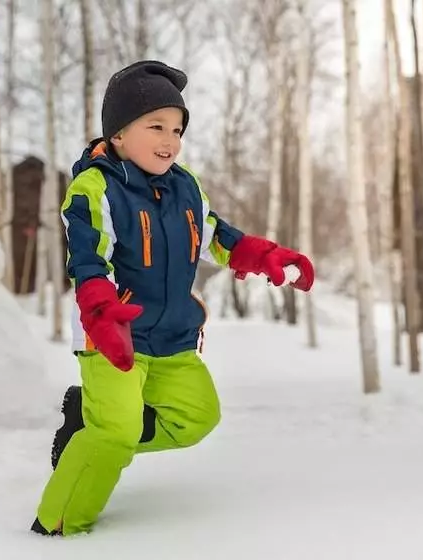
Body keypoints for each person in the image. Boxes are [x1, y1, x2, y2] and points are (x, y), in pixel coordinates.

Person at [30, 60, 314, 537]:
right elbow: (87, 258)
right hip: (113, 335)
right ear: (118, 134)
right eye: (156, 126)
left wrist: (263, 256)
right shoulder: (93, 188)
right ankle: (57, 526)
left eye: (177, 129)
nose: (170, 139)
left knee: (196, 418)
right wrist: (101, 314)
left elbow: (217, 237)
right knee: (116, 433)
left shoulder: (185, 186)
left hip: (172, 337)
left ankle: (90, 431)